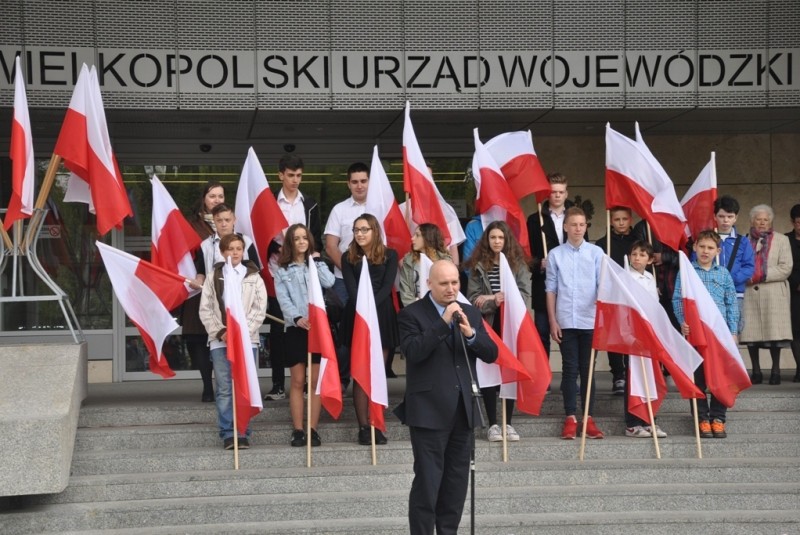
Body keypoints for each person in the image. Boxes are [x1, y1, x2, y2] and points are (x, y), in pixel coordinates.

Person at [395, 260, 498, 535]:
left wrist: (471, 334)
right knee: (428, 484)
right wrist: (442, 323)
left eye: (455, 282)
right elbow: (414, 352)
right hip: (428, 412)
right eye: (444, 284)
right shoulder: (411, 314)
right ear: (429, 283)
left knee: (455, 483)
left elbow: (491, 353)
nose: (451, 289)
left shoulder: (469, 313)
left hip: (463, 410)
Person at [198, 233, 268, 450]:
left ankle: (243, 431)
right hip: (221, 341)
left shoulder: (254, 277)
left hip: (247, 341)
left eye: (239, 248)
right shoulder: (214, 276)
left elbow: (259, 308)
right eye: (230, 249)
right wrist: (221, 332)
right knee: (225, 387)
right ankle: (229, 432)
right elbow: (206, 309)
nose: (235, 253)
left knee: (243, 384)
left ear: (243, 251)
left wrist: (241, 333)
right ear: (222, 252)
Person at [264, 154, 323, 402]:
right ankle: (278, 384)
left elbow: (316, 240)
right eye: (290, 175)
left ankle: (308, 382)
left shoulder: (309, 204)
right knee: (279, 329)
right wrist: (275, 251)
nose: (295, 180)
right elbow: (260, 236)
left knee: (308, 328)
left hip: (304, 276)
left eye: (299, 175)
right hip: (276, 273)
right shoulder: (268, 202)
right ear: (280, 175)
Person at [465, 220, 531, 442]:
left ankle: (508, 423)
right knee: (489, 374)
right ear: (487, 240)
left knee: (509, 373)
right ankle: (493, 424)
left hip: (510, 325)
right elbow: (474, 300)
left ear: (507, 240)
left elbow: (524, 296)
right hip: (488, 326)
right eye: (493, 237)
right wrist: (494, 299)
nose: (496, 241)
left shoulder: (518, 264)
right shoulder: (478, 265)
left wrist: (504, 298)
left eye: (501, 238)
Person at [545, 206, 605, 440]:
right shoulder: (555, 254)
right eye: (574, 224)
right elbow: (550, 289)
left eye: (582, 224)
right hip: (566, 320)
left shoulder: (597, 253)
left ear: (586, 227)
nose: (578, 229)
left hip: (590, 320)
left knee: (588, 370)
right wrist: (552, 320)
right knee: (570, 370)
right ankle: (570, 416)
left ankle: (588, 417)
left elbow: (603, 287)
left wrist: (602, 320)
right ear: (566, 227)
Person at [673, 230, 738, 439]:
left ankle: (718, 419)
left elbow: (731, 303)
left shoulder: (723, 274)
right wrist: (683, 321)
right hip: (696, 334)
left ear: (717, 251)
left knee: (720, 377)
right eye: (702, 247)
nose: (705, 251)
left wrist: (734, 331)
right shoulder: (686, 272)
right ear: (694, 247)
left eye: (710, 248)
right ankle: (701, 418)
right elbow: (677, 299)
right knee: (698, 378)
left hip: (719, 335)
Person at [274, 224, 335, 447]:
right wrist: (297, 317)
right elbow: (283, 300)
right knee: (298, 381)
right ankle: (298, 429)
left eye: (304, 238)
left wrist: (316, 262)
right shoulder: (282, 271)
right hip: (296, 328)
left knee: (315, 381)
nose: (301, 242)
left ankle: (313, 429)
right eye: (296, 238)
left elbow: (329, 282)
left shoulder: (316, 264)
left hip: (318, 329)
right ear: (290, 243)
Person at [340, 213, 399, 445]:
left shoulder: (390, 255)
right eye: (356, 230)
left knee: (376, 373)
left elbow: (387, 286)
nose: (360, 234)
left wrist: (372, 310)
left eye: (365, 229)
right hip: (357, 315)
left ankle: (377, 423)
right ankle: (364, 427)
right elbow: (352, 288)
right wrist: (366, 311)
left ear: (375, 231)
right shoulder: (348, 257)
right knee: (361, 375)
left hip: (382, 316)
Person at [324, 162, 370, 391]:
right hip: (343, 280)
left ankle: (367, 380)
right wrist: (349, 269)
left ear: (369, 181)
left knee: (370, 329)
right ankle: (342, 380)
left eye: (363, 181)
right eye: (355, 181)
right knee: (343, 331)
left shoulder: (381, 206)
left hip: (373, 281)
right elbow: (331, 246)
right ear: (348, 184)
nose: (359, 186)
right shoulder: (339, 210)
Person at [741, 205, 794, 385]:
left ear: (770, 221)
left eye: (766, 219)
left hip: (773, 294)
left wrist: (759, 276)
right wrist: (745, 277)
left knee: (775, 336)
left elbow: (786, 268)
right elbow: (739, 265)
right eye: (758, 219)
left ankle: (775, 370)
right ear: (751, 221)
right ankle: (755, 371)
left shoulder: (781, 240)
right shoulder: (743, 240)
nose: (762, 223)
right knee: (750, 335)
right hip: (749, 293)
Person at [182, 181, 225, 402]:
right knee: (198, 338)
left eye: (220, 196)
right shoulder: (192, 225)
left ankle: (223, 385)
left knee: (220, 335)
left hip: (223, 292)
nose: (217, 200)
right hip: (197, 291)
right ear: (204, 200)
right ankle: (207, 386)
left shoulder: (229, 223)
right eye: (212, 196)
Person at [526, 173, 574, 361]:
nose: (557, 196)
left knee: (568, 335)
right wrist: (539, 263)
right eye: (553, 192)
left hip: (570, 283)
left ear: (566, 193)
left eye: (561, 192)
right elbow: (526, 253)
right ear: (547, 193)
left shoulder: (575, 215)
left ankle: (569, 379)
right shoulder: (534, 219)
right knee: (542, 332)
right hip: (543, 282)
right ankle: (544, 377)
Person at [623, 240, 667, 439]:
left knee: (650, 378)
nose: (637, 258)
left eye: (642, 255)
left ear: (650, 260)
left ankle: (649, 418)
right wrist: (629, 336)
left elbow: (654, 308)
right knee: (635, 380)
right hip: (633, 336)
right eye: (634, 254)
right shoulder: (624, 277)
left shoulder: (650, 278)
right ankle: (632, 422)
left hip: (650, 335)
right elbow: (623, 311)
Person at [595, 206, 639, 395]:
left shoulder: (638, 243)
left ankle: (631, 372)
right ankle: (618, 375)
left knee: (632, 335)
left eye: (624, 219)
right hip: (612, 295)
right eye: (617, 219)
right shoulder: (602, 244)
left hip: (633, 296)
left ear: (630, 219)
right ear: (611, 221)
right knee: (614, 336)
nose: (621, 223)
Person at [710, 195, 755, 335]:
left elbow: (749, 267)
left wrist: (730, 280)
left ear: (736, 217)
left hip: (735, 293)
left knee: (733, 331)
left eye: (730, 216)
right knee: (713, 332)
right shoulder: (707, 239)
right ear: (715, 216)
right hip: (711, 294)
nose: (725, 220)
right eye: (721, 216)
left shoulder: (743, 241)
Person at [399, 223, 452, 307]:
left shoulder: (445, 261)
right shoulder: (409, 260)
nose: (412, 239)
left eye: (417, 235)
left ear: (428, 238)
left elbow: (449, 288)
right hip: (415, 310)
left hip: (440, 309)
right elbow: (405, 291)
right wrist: (416, 310)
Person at [787, 204, 800, 382]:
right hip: (793, 293)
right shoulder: (785, 239)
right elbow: (783, 265)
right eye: (798, 222)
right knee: (796, 332)